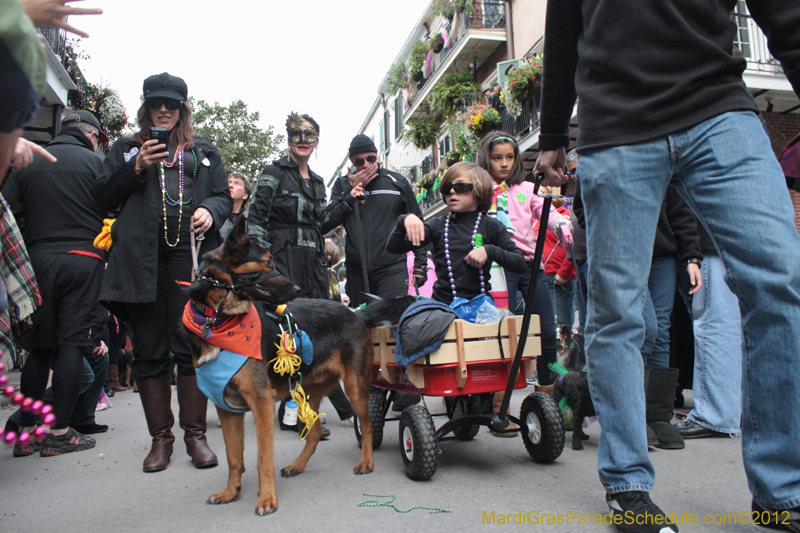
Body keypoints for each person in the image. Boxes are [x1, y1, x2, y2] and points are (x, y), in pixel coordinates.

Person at [535, 1, 800, 530]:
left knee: (780, 281)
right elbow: (563, 29)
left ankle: (783, 493)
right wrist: (552, 136)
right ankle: (627, 485)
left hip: (718, 108)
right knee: (616, 313)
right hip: (616, 123)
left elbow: (785, 13)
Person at [92, 72, 231, 473]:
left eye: (172, 104)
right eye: (157, 103)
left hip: (188, 259)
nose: (164, 110)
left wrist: (211, 210)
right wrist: (136, 166)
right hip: (141, 260)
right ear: (146, 107)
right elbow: (102, 195)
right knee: (149, 349)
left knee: (191, 345)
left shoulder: (204, 152)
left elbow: (223, 196)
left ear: (182, 109)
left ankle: (195, 436)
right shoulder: (126, 148)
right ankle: (161, 440)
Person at [3, 110, 107, 456]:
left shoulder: (29, 162)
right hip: (84, 259)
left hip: (38, 261)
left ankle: (27, 431)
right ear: (91, 135)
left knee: (40, 347)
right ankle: (59, 432)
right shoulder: (97, 164)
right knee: (72, 345)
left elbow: (9, 213)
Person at [247, 113, 357, 299]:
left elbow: (323, 223)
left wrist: (350, 197)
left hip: (314, 265)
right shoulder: (274, 172)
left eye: (310, 135)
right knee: (286, 311)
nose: (303, 140)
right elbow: (256, 218)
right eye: (297, 134)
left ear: (316, 142)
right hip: (281, 260)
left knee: (317, 311)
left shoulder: (317, 182)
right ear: (289, 140)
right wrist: (262, 263)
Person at [328, 134, 428, 308]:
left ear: (377, 155)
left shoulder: (397, 182)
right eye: (359, 161)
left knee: (390, 318)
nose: (366, 165)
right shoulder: (342, 185)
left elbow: (417, 223)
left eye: (371, 158)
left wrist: (421, 264)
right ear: (352, 161)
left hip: (392, 267)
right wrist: (351, 191)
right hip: (357, 270)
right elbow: (330, 220)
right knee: (361, 320)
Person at [218, 171, 251, 241]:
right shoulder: (216, 216)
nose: (230, 185)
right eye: (229, 182)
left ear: (245, 195)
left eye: (237, 183)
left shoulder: (251, 221)